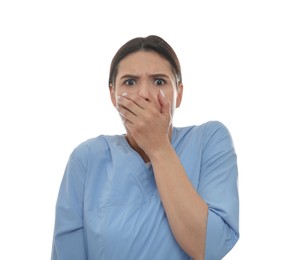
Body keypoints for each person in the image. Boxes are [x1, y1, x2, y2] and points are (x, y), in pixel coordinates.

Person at [51, 35, 239, 260]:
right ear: (112, 95)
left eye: (159, 81)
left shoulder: (210, 139)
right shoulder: (87, 158)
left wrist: (158, 146)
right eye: (129, 82)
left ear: (179, 94)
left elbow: (209, 248)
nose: (144, 94)